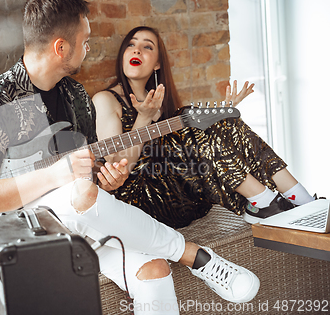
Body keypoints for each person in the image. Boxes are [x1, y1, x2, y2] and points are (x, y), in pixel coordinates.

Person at [0, 0, 259, 314]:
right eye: (84, 41)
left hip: (74, 222)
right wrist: (58, 174)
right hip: (17, 235)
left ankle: (190, 258)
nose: (89, 48)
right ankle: (196, 256)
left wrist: (107, 179)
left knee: (153, 270)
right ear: (61, 47)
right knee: (79, 190)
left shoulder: (75, 96)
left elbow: (88, 178)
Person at [92, 26, 316, 229]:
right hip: (143, 201)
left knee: (209, 122)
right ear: (122, 55)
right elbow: (114, 167)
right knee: (186, 117)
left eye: (147, 46)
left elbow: (188, 155)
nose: (137, 50)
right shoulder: (106, 99)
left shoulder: (162, 104)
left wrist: (223, 121)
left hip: (187, 195)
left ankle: (302, 200)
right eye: (131, 44)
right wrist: (142, 119)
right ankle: (267, 204)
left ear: (158, 63)